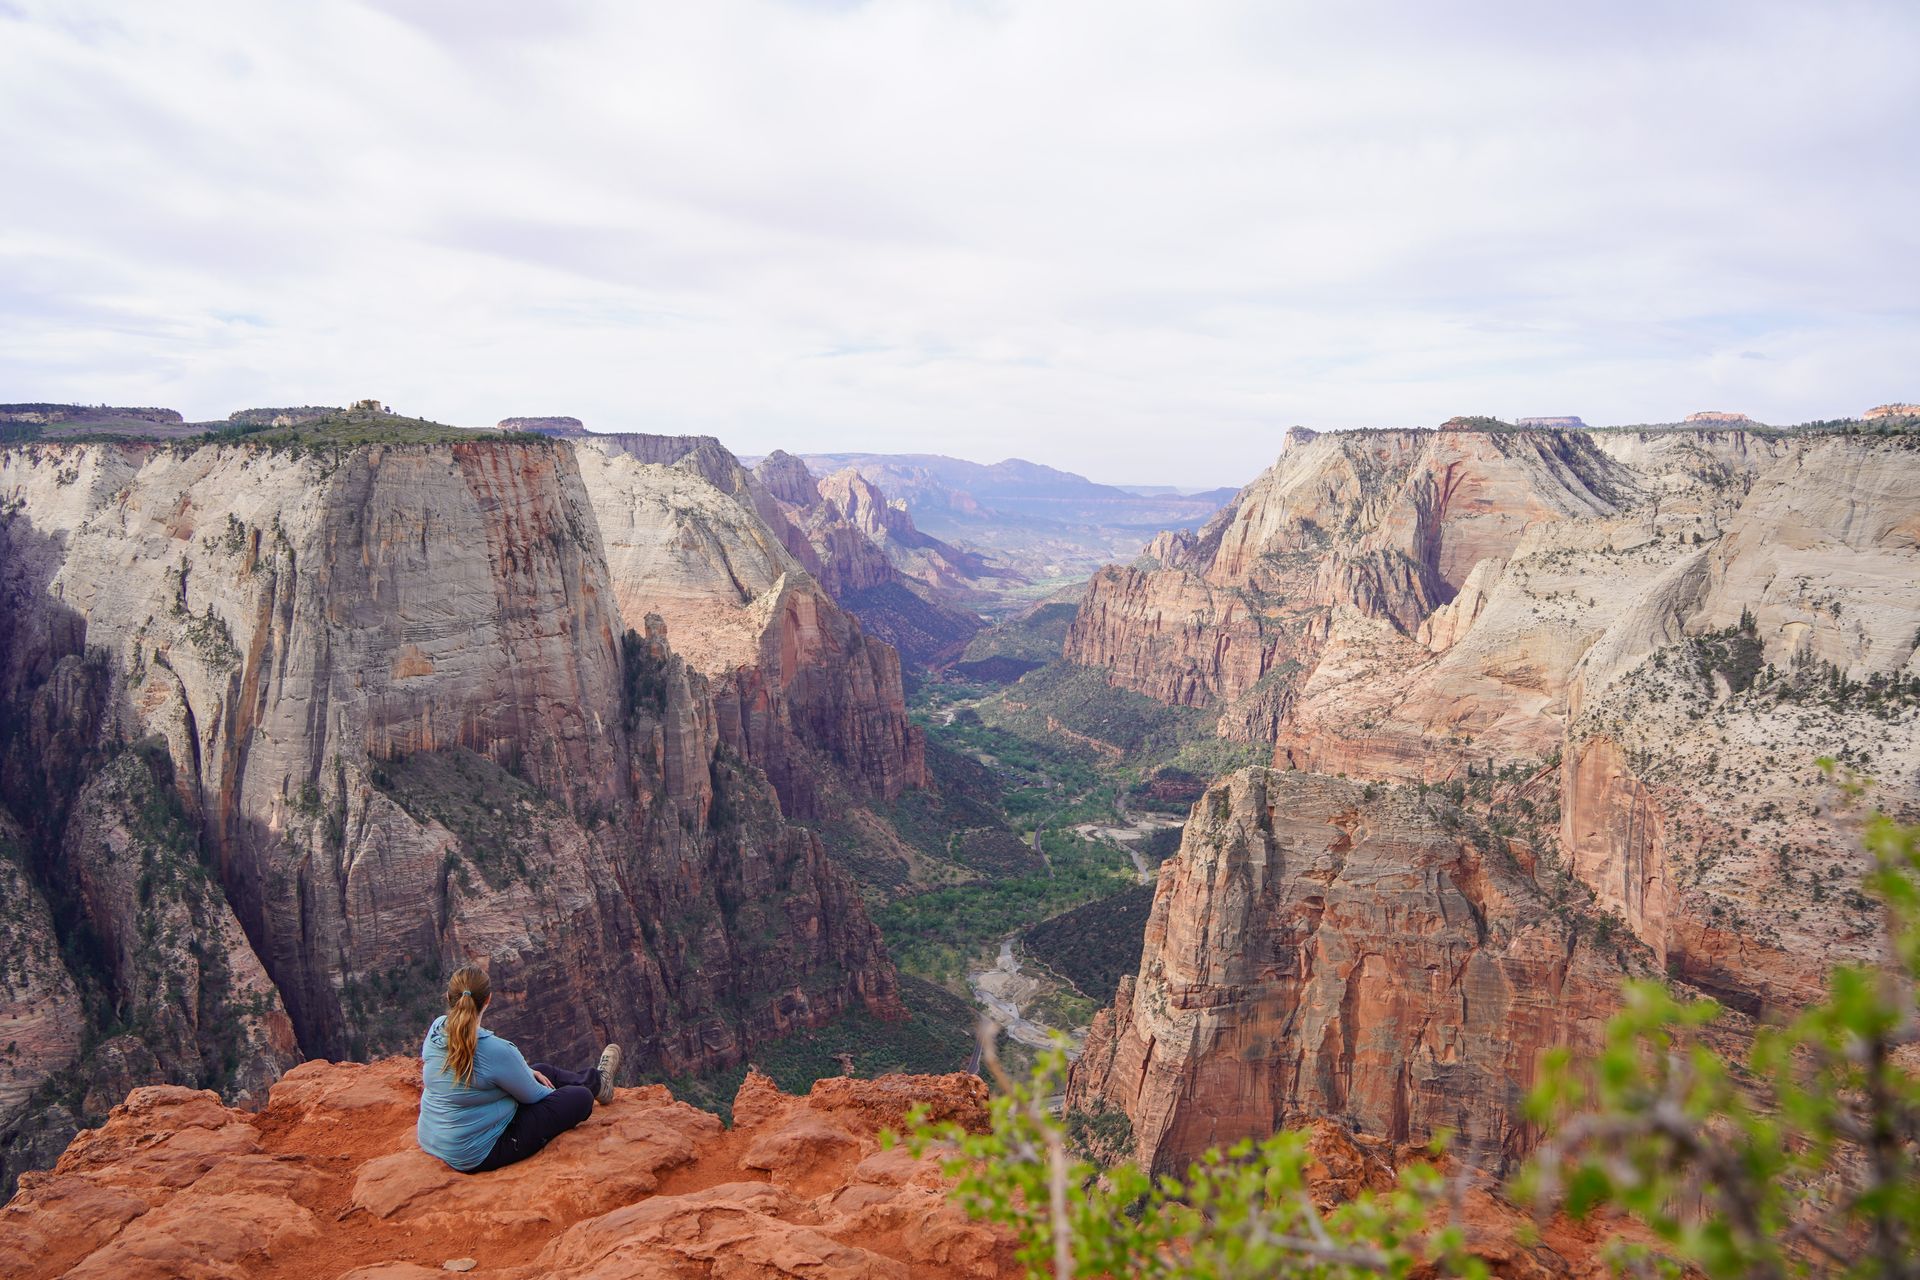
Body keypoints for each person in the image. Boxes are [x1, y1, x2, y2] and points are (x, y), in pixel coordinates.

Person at [415, 965, 622, 1173]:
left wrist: (526, 1075)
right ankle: (592, 1087)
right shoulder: (496, 1050)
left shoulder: (437, 1027)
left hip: (433, 1137)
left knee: (539, 1070)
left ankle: (600, 1083)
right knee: (580, 1098)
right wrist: (556, 1098)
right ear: (488, 999)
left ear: (448, 997)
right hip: (476, 1152)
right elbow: (535, 1097)